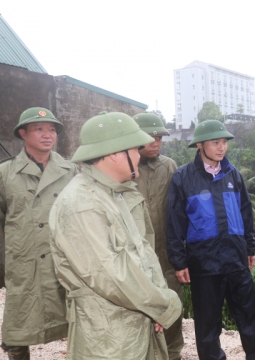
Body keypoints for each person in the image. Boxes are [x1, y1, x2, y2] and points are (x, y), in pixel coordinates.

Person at [49, 111, 182, 359]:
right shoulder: (83, 203)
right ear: (114, 154)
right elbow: (110, 275)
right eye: (134, 149)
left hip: (130, 323)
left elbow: (143, 251)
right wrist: (163, 305)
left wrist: (157, 302)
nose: (138, 154)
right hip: (109, 338)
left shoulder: (113, 193)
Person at [167, 119, 255, 360]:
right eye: (215, 142)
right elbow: (174, 222)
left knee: (249, 315)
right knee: (207, 324)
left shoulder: (233, 175)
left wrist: (250, 247)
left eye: (224, 142)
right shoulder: (183, 178)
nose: (221, 147)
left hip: (235, 258)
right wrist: (179, 261)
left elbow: (245, 212)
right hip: (204, 263)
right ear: (200, 145)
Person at [0, 107, 77, 360]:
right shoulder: (5, 173)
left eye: (52, 129)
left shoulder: (70, 171)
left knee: (78, 319)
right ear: (23, 133)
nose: (48, 135)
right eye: (39, 129)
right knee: (17, 328)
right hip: (25, 261)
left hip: (64, 258)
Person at [133, 112, 183, 360]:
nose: (155, 142)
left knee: (171, 305)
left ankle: (173, 354)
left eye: (159, 137)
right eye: (150, 137)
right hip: (135, 255)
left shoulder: (169, 166)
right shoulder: (125, 167)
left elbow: (179, 211)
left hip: (166, 254)